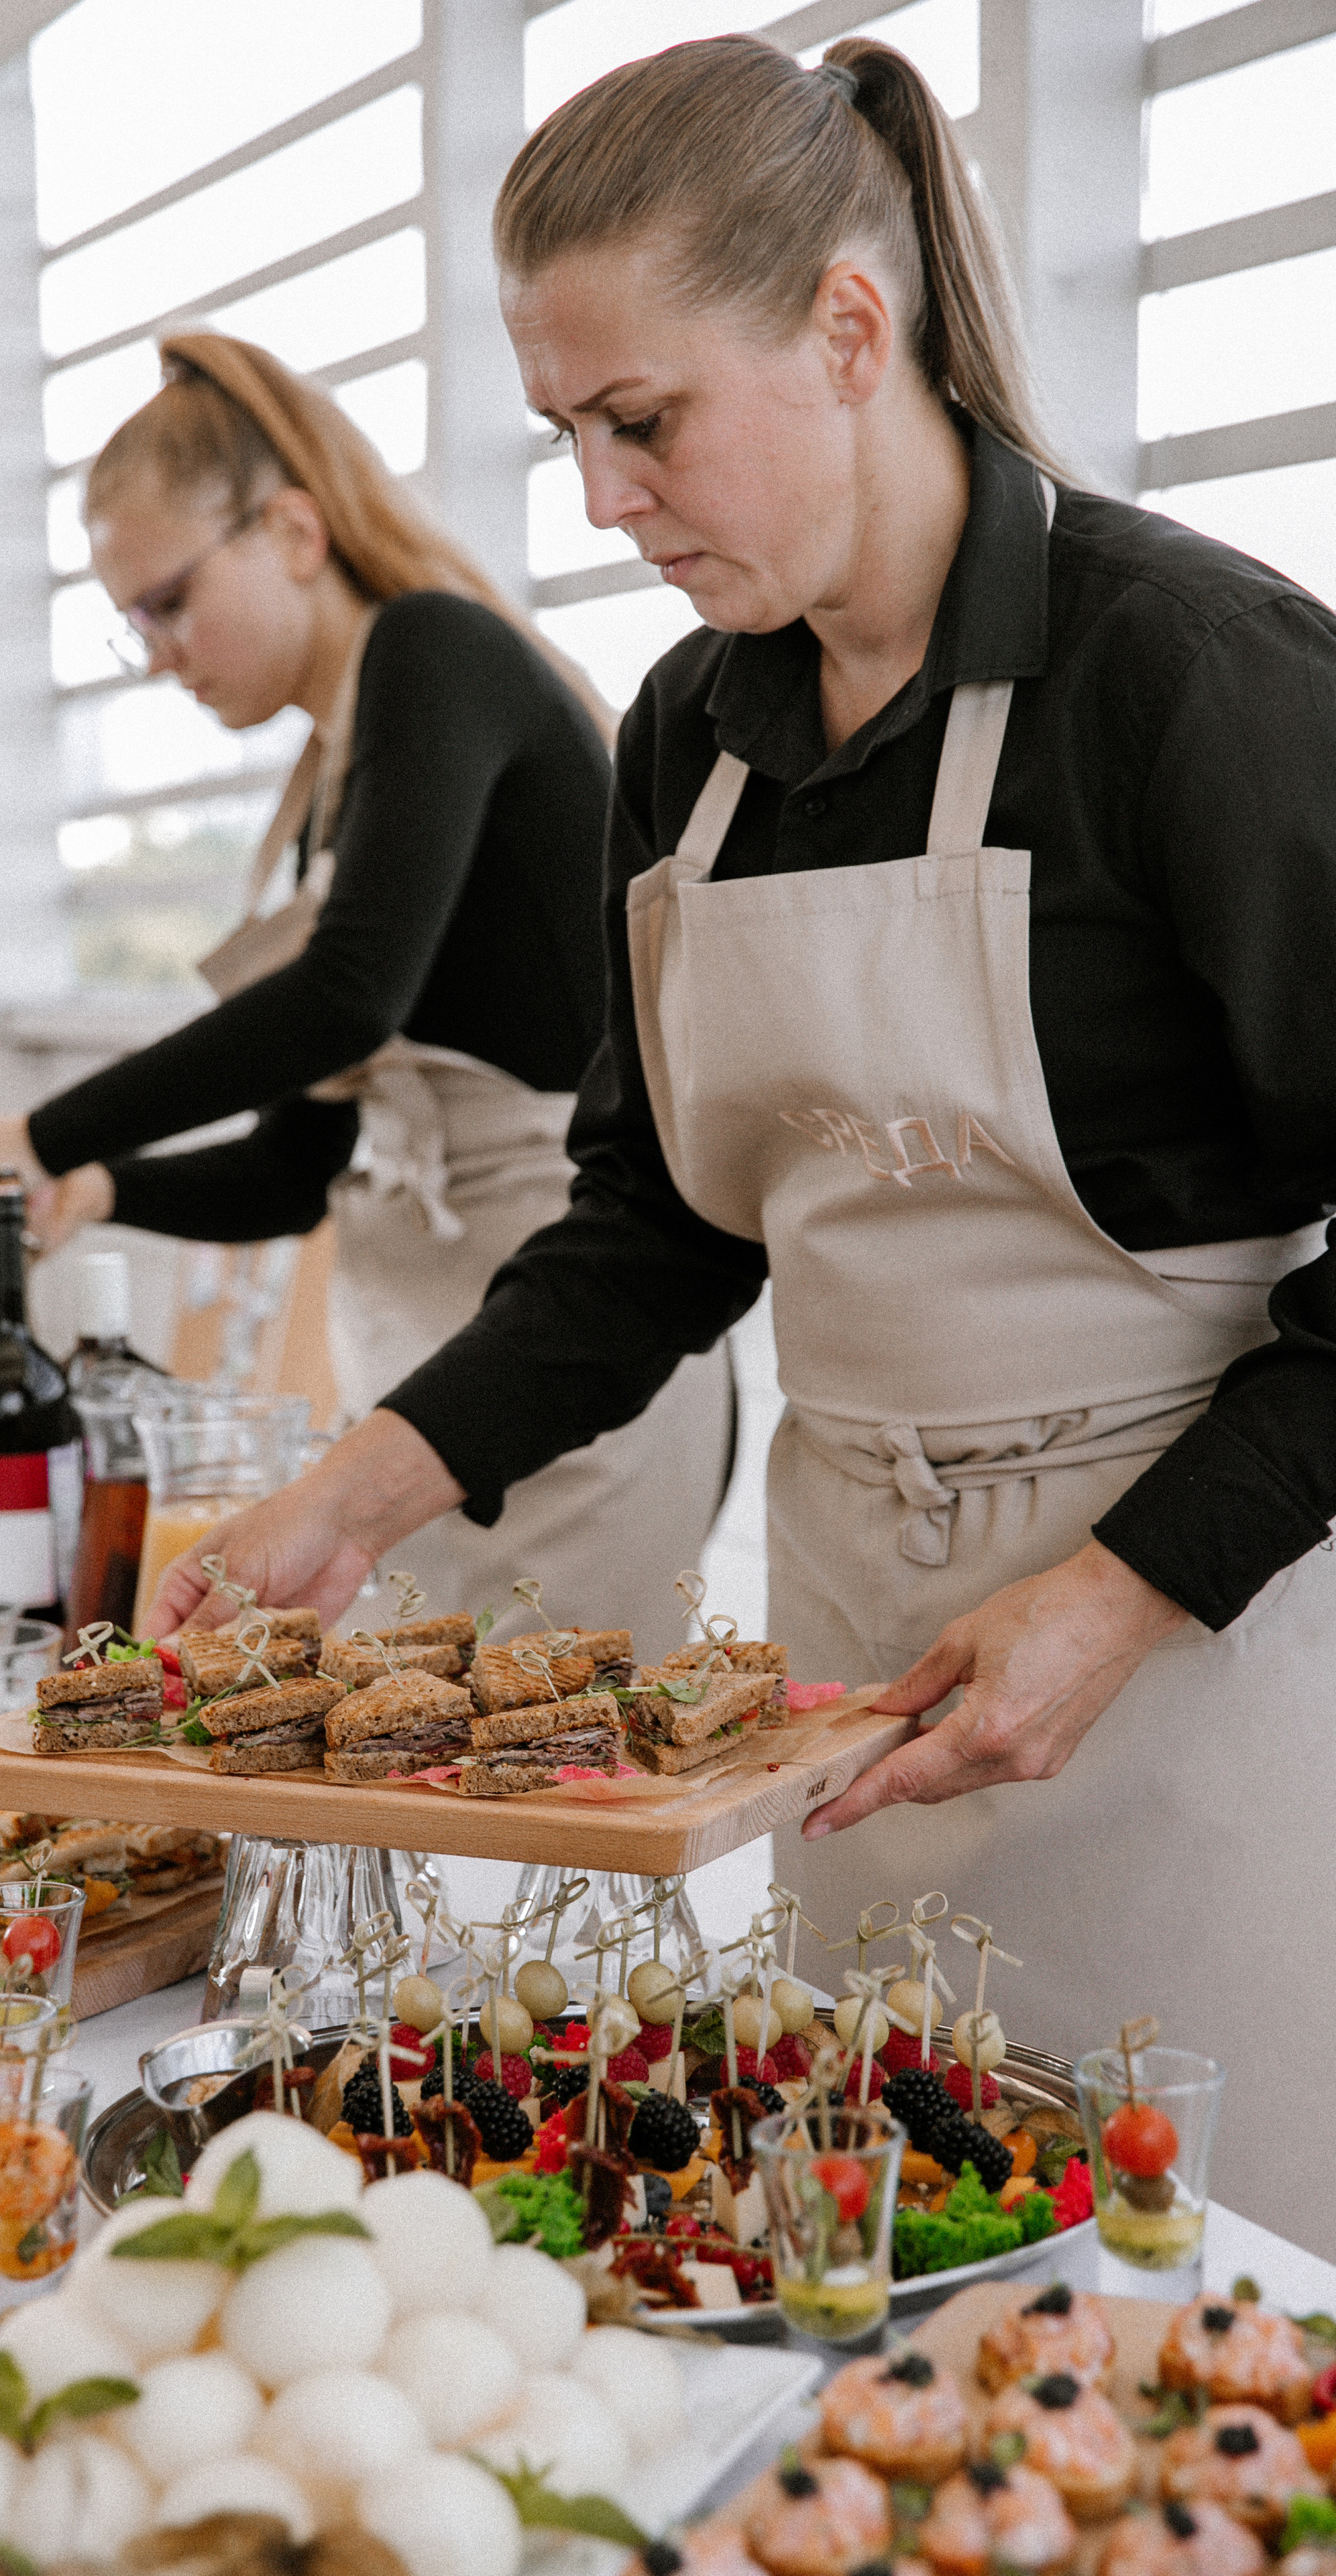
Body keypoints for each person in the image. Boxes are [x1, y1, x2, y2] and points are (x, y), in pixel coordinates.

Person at [141, 40, 1336, 2247]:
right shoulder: (691, 737)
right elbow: (650, 1242)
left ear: (850, 332)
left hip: (1204, 1672)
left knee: (1213, 2315)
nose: (599, 501)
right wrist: (358, 1490)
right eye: (567, 435)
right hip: (860, 1682)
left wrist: (1120, 1594)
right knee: (875, 2282)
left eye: (642, 421)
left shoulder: (1191, 677)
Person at [0, 332, 734, 1650]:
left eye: (167, 600)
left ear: (288, 529)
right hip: (430, 1367)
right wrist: (100, 1191)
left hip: (569, 1342)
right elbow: (299, 1165)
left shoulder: (434, 654)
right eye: (131, 622)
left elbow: (344, 997)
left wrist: (41, 1130)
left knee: (550, 1810)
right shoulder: (330, 783)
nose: (157, 652)